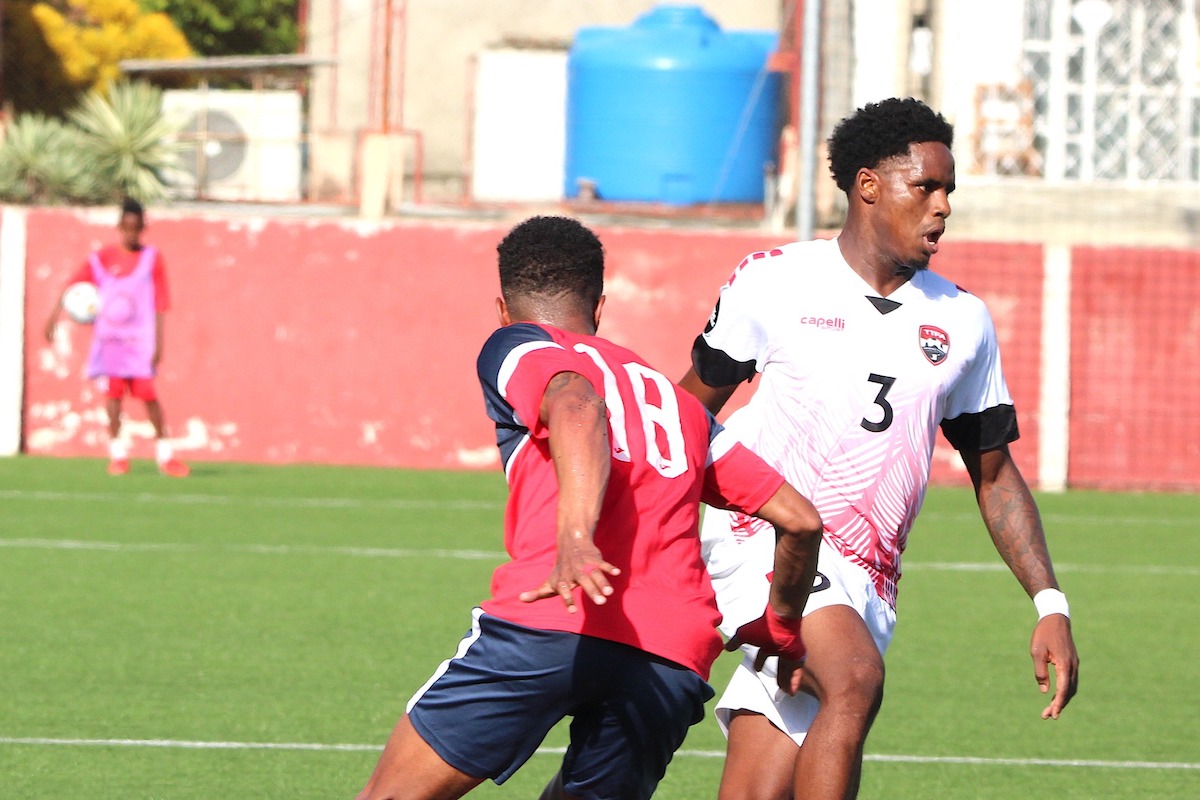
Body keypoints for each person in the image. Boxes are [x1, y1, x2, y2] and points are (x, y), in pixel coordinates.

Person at [677, 97, 1080, 799]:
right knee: (855, 680)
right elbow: (686, 415)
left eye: (949, 190)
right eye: (926, 186)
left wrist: (1050, 602)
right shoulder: (774, 280)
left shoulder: (963, 321)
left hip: (870, 574)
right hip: (763, 535)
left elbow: (994, 474)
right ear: (869, 185)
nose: (943, 206)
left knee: (760, 784)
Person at [354, 215, 824, 800]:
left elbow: (577, 407)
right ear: (599, 306)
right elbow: (801, 520)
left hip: (553, 619)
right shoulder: (674, 401)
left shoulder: (519, 344)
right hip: (670, 658)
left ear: (504, 308)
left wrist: (576, 539)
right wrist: (780, 627)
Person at [44, 197, 189, 478]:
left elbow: (160, 303)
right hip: (110, 341)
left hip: (139, 342)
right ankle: (118, 455)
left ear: (143, 228)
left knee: (148, 395)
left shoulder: (152, 259)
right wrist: (52, 318)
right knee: (113, 396)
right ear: (119, 226)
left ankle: (165, 456)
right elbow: (72, 287)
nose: (131, 233)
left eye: (136, 228)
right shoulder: (102, 259)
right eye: (126, 228)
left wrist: (159, 343)